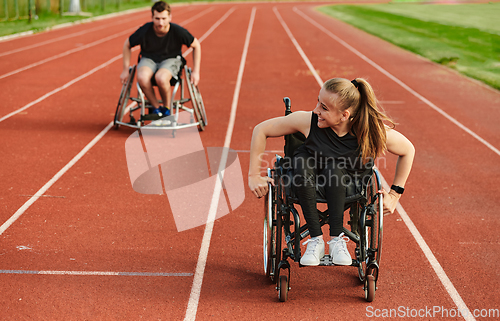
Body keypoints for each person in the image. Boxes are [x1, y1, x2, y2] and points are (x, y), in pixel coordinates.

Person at [248, 78, 415, 266]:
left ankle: (337, 239)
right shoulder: (308, 121)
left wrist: (394, 194)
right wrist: (254, 175)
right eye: (318, 101)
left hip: (347, 183)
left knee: (334, 168)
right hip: (306, 178)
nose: (316, 110)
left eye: (324, 108)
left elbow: (408, 150)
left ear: (344, 115)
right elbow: (261, 129)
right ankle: (316, 240)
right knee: (301, 162)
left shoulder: (370, 131)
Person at [120, 1, 201, 116]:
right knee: (142, 77)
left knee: (161, 78)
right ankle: (156, 108)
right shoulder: (145, 30)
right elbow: (127, 44)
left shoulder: (177, 31)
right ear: (152, 17)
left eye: (164, 18)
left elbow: (196, 45)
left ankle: (167, 108)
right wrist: (125, 70)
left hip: (171, 59)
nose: (160, 22)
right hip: (149, 59)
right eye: (157, 18)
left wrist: (196, 72)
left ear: (170, 17)